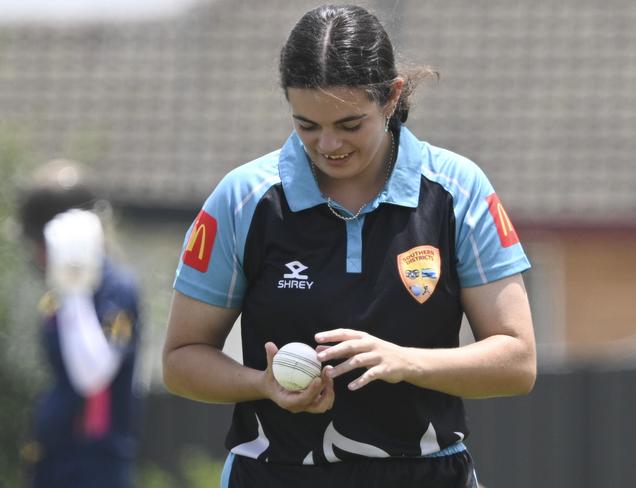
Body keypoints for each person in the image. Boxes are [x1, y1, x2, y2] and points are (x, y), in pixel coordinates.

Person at [163, 4, 536, 487]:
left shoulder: (457, 191)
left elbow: (517, 361)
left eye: (349, 124)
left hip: (428, 475)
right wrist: (261, 384)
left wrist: (406, 361)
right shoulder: (243, 199)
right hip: (275, 475)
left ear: (391, 97)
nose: (328, 145)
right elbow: (180, 359)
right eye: (307, 125)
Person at [18, 160, 141, 488]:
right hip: (55, 457)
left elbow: (93, 373)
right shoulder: (58, 295)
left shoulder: (117, 289)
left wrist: (75, 287)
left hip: (94, 464)